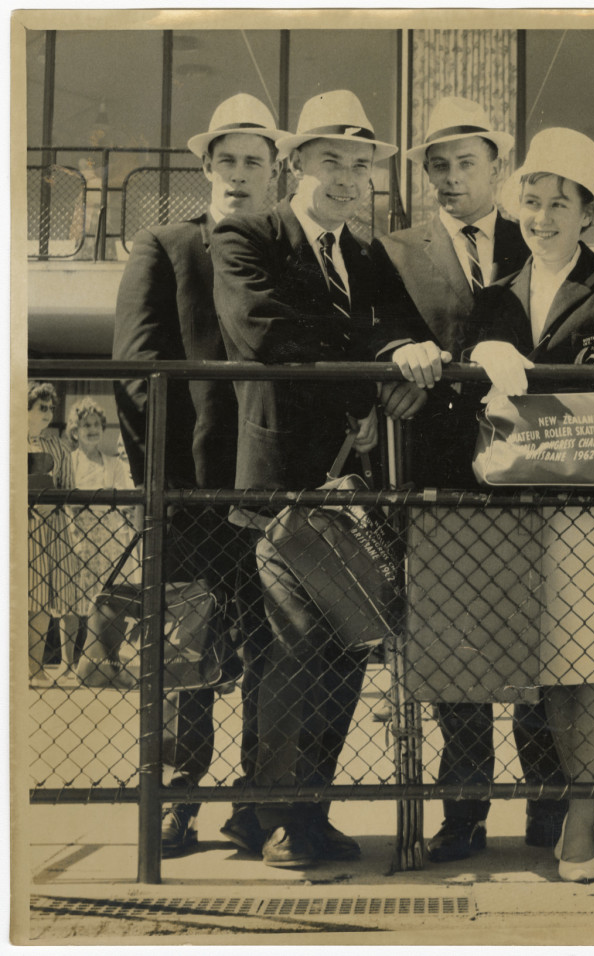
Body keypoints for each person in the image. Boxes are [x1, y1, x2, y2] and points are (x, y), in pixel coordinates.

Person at [211, 89, 425, 869]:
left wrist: (403, 359)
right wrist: (375, 370)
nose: (346, 178)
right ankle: (276, 818)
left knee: (340, 654)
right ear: (294, 162)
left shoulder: (365, 254)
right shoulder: (246, 236)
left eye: (359, 166)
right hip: (280, 491)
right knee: (289, 654)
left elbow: (406, 328)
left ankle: (310, 813)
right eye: (330, 160)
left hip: (349, 494)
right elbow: (267, 334)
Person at [446, 127, 594, 882]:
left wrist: (538, 378)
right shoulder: (494, 297)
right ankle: (566, 797)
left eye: (558, 203)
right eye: (531, 202)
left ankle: (581, 813)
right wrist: (484, 355)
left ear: (587, 211)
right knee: (544, 662)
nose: (541, 217)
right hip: (520, 514)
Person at [382, 97, 578, 864]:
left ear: (498, 167)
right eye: (439, 164)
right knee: (456, 658)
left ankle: (548, 805)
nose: (453, 176)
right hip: (444, 481)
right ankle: (463, 811)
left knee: (544, 648)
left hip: (536, 475)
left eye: (468, 162)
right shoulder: (397, 250)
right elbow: (380, 329)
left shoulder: (538, 234)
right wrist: (395, 357)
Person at [112, 93, 285, 858]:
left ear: (276, 171)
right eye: (228, 161)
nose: (240, 175)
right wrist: (165, 481)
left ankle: (256, 805)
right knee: (186, 656)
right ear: (206, 167)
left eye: (255, 161)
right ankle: (176, 804)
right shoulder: (166, 245)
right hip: (188, 493)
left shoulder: (287, 252)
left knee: (270, 650)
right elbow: (137, 371)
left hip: (271, 495)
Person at [66, 397, 136, 677]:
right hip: (79, 536)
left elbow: (121, 501)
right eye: (86, 425)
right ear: (75, 430)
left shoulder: (112, 463)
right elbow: (67, 504)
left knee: (108, 600)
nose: (92, 429)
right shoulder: (70, 462)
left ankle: (110, 659)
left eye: (96, 424)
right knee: (73, 600)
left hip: (109, 537)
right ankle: (68, 662)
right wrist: (73, 533)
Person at [27, 382, 81, 687]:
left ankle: (36, 668)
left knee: (47, 596)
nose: (48, 413)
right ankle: (24, 667)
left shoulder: (59, 447)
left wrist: (53, 504)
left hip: (54, 527)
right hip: (20, 528)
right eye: (41, 407)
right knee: (27, 597)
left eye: (51, 408)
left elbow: (68, 489)